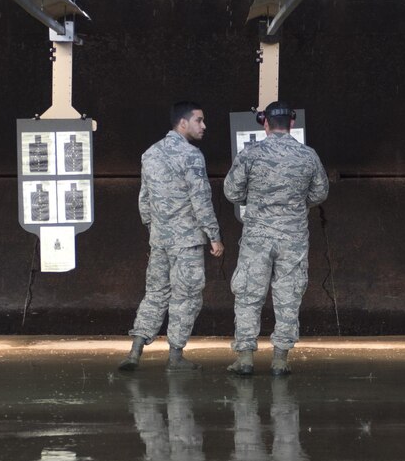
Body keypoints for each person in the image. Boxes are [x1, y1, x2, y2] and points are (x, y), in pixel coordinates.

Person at [224, 101, 328, 377]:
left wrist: (256, 201)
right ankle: (280, 359)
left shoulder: (250, 154)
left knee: (248, 294)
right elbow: (319, 194)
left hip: (257, 237)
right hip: (293, 238)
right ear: (292, 123)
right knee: (288, 296)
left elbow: (232, 192)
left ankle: (245, 357)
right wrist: (295, 205)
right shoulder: (308, 155)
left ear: (265, 123)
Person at [120, 100, 224, 372]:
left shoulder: (150, 154)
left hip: (160, 240)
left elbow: (144, 200)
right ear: (183, 123)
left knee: (155, 294)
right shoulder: (191, 155)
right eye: (199, 120)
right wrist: (214, 236)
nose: (204, 126)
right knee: (186, 297)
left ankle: (135, 351)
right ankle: (175, 357)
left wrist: (154, 230)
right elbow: (201, 199)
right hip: (187, 241)